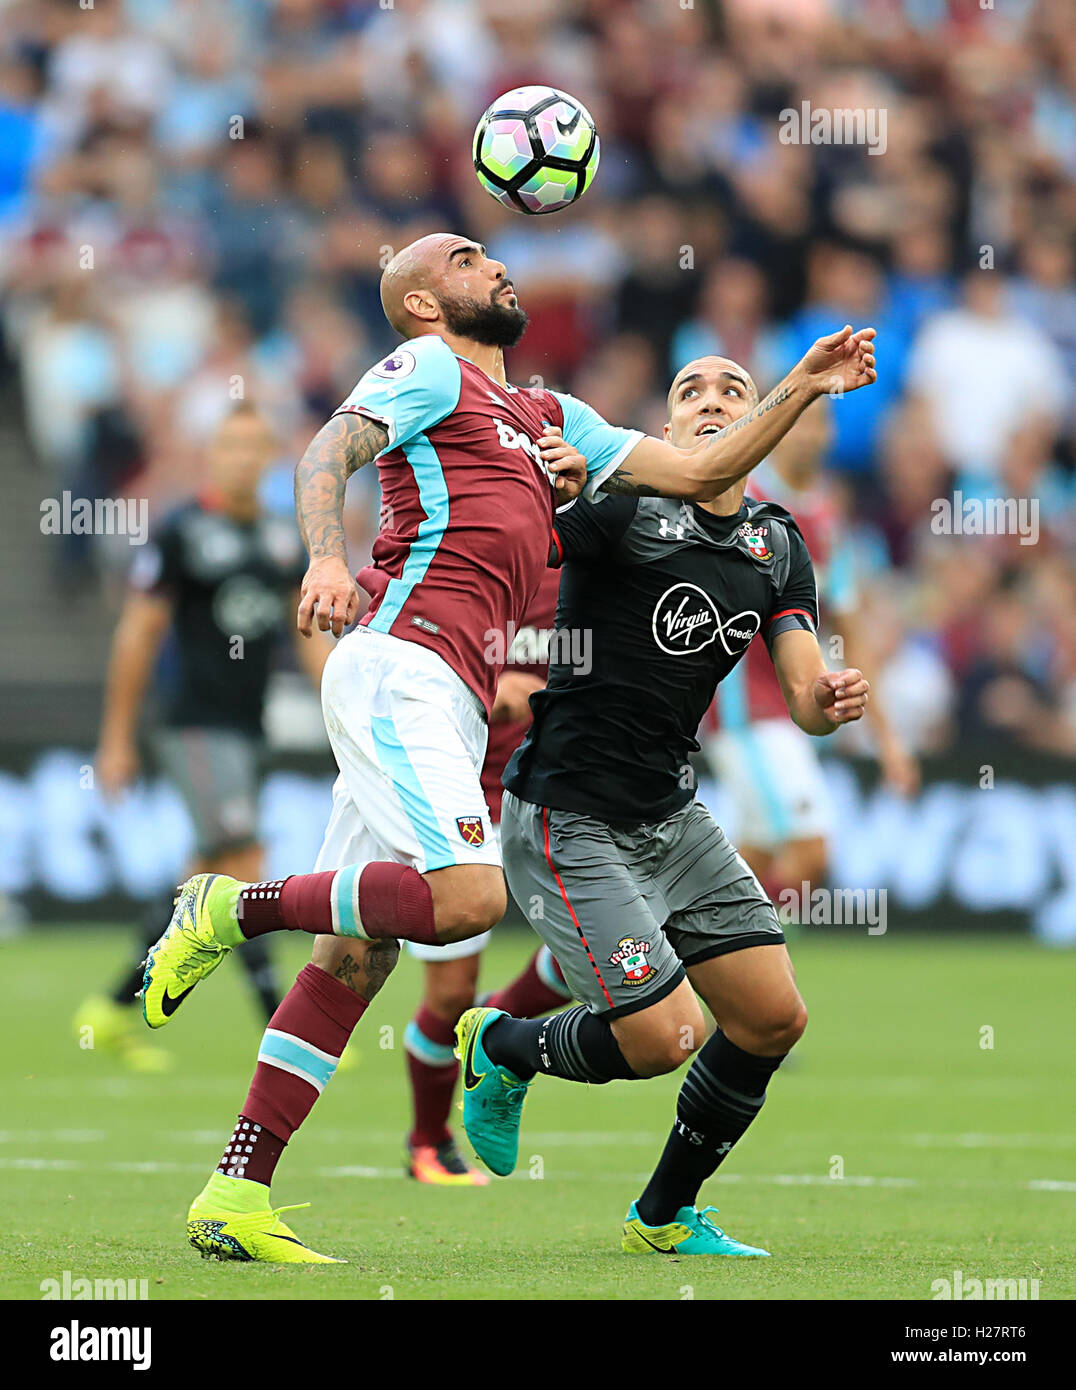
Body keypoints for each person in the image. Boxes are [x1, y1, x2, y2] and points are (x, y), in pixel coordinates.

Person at [140, 232, 877, 1263]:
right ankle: (227, 905)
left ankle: (234, 1189)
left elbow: (707, 465)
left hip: (450, 691)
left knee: (356, 952)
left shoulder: (549, 416)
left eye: (489, 252)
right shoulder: (428, 367)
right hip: (401, 659)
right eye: (464, 257)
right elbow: (326, 452)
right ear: (421, 307)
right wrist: (324, 552)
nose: (492, 263)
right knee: (470, 899)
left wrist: (799, 381)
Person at [455, 354, 872, 1257]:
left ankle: (664, 1216)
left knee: (771, 1018)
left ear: (758, 415)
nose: (712, 400)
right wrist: (546, 484)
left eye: (731, 388)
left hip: (672, 818)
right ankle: (505, 1045)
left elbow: (801, 697)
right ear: (667, 432)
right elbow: (522, 553)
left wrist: (827, 704)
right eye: (690, 392)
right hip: (570, 813)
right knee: (665, 1036)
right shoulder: (622, 508)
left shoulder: (777, 543)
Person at [75, 403, 328, 1069]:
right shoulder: (182, 533)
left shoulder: (282, 538)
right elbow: (139, 634)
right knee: (244, 864)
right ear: (213, 456)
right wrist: (117, 739)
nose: (242, 458)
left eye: (255, 447)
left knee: (206, 877)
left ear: (270, 457)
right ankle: (286, 1026)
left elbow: (308, 639)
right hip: (194, 725)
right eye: (230, 447)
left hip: (249, 728)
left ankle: (110, 1009)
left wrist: (344, 716)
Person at [702, 401, 918, 904]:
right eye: (797, 421)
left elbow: (849, 628)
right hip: (744, 711)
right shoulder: (741, 499)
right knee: (810, 853)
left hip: (792, 712)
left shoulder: (826, 520)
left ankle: (678, 953)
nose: (808, 435)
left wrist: (888, 741)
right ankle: (742, 969)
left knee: (749, 861)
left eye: (819, 423)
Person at [403, 567, 572, 1186]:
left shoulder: (592, 566)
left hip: (555, 802)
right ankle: (427, 1142)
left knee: (586, 955)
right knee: (448, 996)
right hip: (460, 800)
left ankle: (493, 1028)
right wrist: (504, 688)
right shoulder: (465, 562)